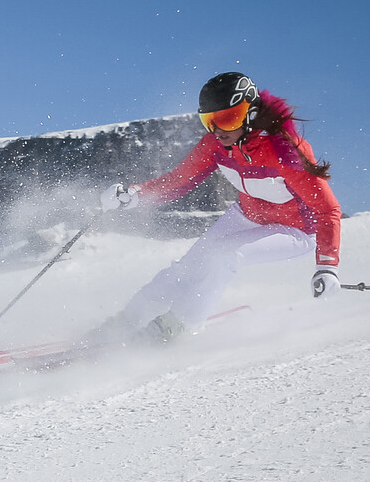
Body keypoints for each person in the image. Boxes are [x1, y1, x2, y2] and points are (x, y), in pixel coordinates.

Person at [95, 71, 342, 342]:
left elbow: (327, 210)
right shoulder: (216, 145)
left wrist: (327, 267)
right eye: (209, 121)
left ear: (251, 113)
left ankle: (174, 328)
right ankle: (126, 321)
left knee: (225, 255)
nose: (218, 130)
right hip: (246, 215)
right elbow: (179, 181)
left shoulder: (285, 150)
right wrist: (134, 195)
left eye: (228, 119)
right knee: (187, 266)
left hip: (297, 230)